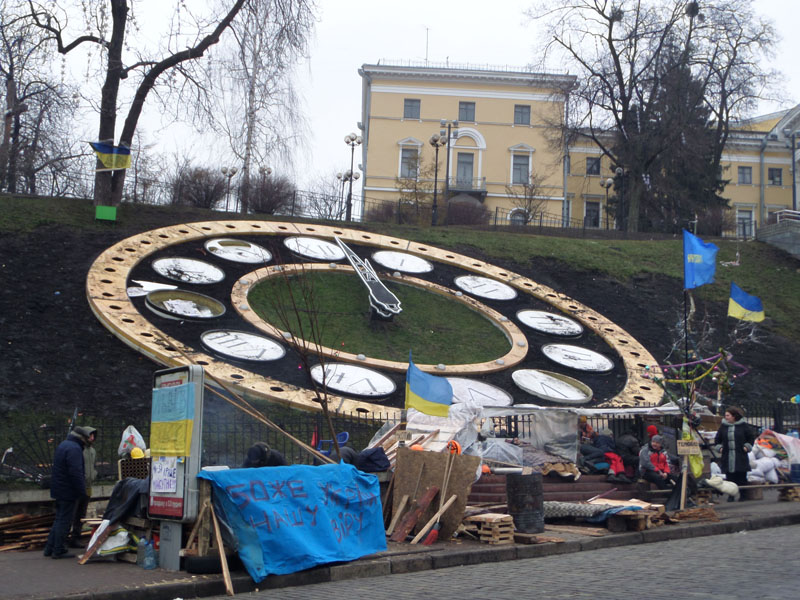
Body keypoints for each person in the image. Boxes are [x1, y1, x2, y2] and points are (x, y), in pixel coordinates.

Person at [44, 428, 90, 559]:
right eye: (87, 439)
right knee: (64, 521)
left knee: (59, 519)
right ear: (82, 438)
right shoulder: (74, 449)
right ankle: (58, 550)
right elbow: (76, 473)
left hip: (59, 489)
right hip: (68, 491)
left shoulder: (64, 445)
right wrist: (82, 491)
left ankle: (49, 548)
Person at [68, 426, 97, 548]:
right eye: (90, 435)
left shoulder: (92, 451)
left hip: (88, 485)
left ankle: (76, 537)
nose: (92, 437)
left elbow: (93, 465)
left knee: (81, 513)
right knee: (72, 512)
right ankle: (66, 537)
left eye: (93, 435)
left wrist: (94, 474)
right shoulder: (79, 449)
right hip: (78, 485)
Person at [714, 406, 756, 488]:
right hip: (727, 456)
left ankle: (743, 495)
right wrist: (720, 448)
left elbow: (751, 437)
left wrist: (747, 447)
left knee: (741, 476)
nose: (726, 417)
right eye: (725, 415)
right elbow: (717, 439)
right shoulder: (723, 426)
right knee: (729, 477)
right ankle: (731, 495)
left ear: (734, 416)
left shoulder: (743, 426)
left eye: (728, 415)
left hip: (740, 455)